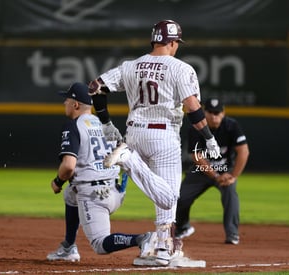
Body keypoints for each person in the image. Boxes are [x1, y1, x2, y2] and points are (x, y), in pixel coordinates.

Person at [88, 20, 221, 266]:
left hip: (134, 133)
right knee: (170, 198)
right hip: (163, 135)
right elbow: (192, 108)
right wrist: (209, 138)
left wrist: (106, 123)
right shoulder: (180, 68)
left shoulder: (131, 66)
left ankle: (163, 251)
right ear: (172, 42)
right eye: (176, 43)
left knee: (162, 194)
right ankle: (128, 159)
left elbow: (95, 87)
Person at [46, 82, 155, 262]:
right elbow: (124, 150)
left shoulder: (73, 126)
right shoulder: (105, 124)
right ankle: (68, 247)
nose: (64, 103)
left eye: (67, 99)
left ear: (76, 104)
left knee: (99, 244)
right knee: (70, 194)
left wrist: (57, 181)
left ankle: (142, 238)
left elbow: (68, 166)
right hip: (116, 191)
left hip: (94, 196)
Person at [175, 98, 249, 245]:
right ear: (204, 112)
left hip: (225, 171)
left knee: (230, 194)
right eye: (210, 112)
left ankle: (232, 234)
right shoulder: (196, 127)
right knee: (181, 198)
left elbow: (243, 152)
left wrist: (233, 176)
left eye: (218, 113)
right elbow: (197, 156)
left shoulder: (231, 125)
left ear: (223, 113)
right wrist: (215, 175)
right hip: (201, 171)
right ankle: (182, 228)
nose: (214, 116)